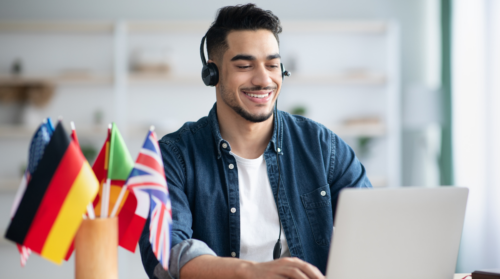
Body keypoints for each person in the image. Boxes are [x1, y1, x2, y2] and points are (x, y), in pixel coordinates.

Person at [139, 4, 372, 279]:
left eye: (272, 65)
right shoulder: (175, 155)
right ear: (212, 74)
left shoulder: (322, 146)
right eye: (245, 66)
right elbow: (166, 252)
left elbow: (372, 228)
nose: (264, 80)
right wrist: (250, 272)